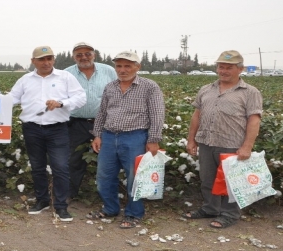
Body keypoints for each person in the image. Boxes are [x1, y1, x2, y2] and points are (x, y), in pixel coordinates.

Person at [183, 50, 262, 228]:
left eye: (229, 67)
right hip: (207, 142)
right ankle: (210, 208)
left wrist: (247, 146)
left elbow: (254, 120)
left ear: (240, 69)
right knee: (207, 179)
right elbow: (197, 115)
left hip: (232, 144)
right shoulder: (206, 89)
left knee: (230, 182)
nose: (224, 71)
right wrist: (191, 139)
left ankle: (229, 214)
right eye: (221, 67)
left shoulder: (250, 92)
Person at [9, 46, 86, 222]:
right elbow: (12, 99)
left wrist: (61, 103)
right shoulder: (25, 79)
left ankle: (60, 206)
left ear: (54, 59)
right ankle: (42, 200)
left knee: (60, 167)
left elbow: (81, 98)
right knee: (37, 167)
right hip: (32, 128)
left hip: (57, 129)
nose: (46, 62)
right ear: (33, 61)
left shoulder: (65, 77)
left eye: (49, 58)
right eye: (42, 59)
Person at [90, 51, 165, 229]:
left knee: (135, 178)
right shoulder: (110, 87)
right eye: (119, 66)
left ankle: (134, 213)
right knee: (104, 177)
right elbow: (102, 113)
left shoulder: (149, 86)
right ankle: (110, 209)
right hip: (108, 137)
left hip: (135, 137)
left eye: (127, 66)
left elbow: (157, 114)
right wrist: (97, 135)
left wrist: (153, 139)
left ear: (137, 67)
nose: (122, 70)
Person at [64, 42, 117, 199]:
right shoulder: (66, 74)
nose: (84, 57)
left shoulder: (108, 71)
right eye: (79, 54)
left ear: (94, 55)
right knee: (73, 159)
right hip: (75, 123)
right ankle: (70, 194)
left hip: (104, 123)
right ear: (73, 57)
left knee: (108, 159)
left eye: (87, 53)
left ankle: (106, 196)